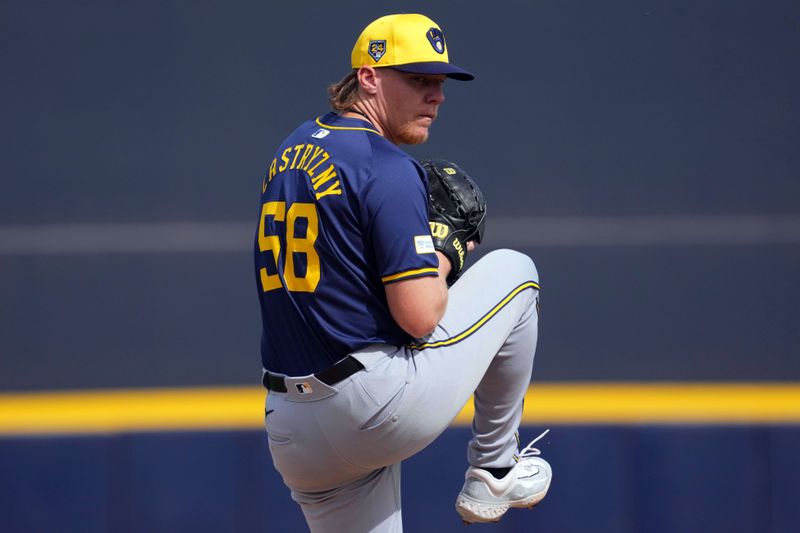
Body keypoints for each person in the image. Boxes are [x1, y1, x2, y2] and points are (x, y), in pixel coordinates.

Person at [254, 13, 551, 532]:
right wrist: (446, 251)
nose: (436, 95)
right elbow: (418, 316)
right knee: (516, 273)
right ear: (369, 77)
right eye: (418, 79)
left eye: (440, 82)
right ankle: (496, 467)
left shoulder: (291, 149)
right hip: (369, 405)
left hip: (290, 428)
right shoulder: (386, 166)